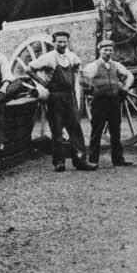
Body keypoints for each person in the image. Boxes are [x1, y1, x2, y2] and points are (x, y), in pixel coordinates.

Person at [30, 30, 93, 171]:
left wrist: (80, 79)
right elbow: (30, 69)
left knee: (75, 129)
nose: (63, 44)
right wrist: (44, 83)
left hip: (70, 96)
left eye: (65, 42)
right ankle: (59, 163)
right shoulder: (48, 57)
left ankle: (81, 161)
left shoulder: (71, 56)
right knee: (57, 130)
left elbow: (78, 67)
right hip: (55, 97)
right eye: (59, 42)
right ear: (54, 43)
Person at [81, 39, 137, 167]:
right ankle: (93, 160)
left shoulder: (116, 65)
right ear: (99, 51)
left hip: (114, 103)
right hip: (99, 103)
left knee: (115, 132)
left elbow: (129, 75)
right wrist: (91, 89)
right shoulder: (93, 66)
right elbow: (83, 79)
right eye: (105, 50)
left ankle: (118, 160)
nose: (108, 52)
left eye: (110, 50)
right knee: (97, 132)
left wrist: (126, 87)